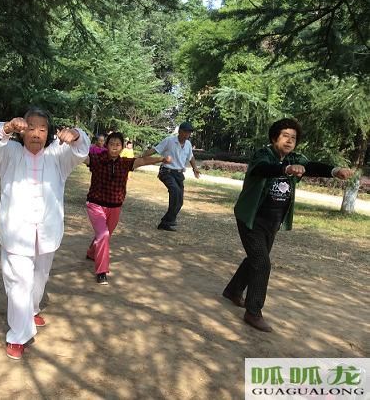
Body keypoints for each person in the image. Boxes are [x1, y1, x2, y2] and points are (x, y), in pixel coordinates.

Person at [222, 118, 354, 332]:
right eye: (285, 136)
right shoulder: (263, 155)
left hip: (273, 220)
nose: (290, 140)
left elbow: (311, 166)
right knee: (262, 263)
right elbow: (263, 169)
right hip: (251, 218)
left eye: (293, 137)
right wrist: (287, 169)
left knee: (257, 258)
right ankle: (253, 312)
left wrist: (334, 171)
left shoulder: (296, 158)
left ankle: (233, 291)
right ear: (275, 138)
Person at [0, 108, 90, 360]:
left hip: (47, 231)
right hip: (16, 231)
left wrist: (75, 134)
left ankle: (31, 310)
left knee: (39, 277)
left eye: (42, 129)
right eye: (31, 128)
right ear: (23, 130)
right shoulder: (9, 153)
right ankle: (18, 335)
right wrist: (6, 127)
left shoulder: (57, 155)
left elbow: (82, 149)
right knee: (19, 282)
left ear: (49, 132)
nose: (37, 134)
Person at [85, 132, 171, 284]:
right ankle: (102, 271)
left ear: (122, 147)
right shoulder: (96, 159)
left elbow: (143, 160)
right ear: (106, 145)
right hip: (96, 204)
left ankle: (92, 252)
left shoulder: (125, 163)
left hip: (115, 207)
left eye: (118, 145)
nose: (114, 147)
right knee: (103, 234)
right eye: (111, 144)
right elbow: (81, 158)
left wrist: (161, 159)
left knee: (104, 235)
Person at [142, 121, 201, 231]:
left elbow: (191, 157)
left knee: (180, 201)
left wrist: (195, 168)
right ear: (180, 131)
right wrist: (141, 156)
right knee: (175, 191)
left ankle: (166, 223)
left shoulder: (188, 144)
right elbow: (156, 150)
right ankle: (168, 221)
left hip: (179, 174)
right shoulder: (169, 141)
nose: (187, 135)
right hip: (167, 172)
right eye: (185, 132)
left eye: (189, 133)